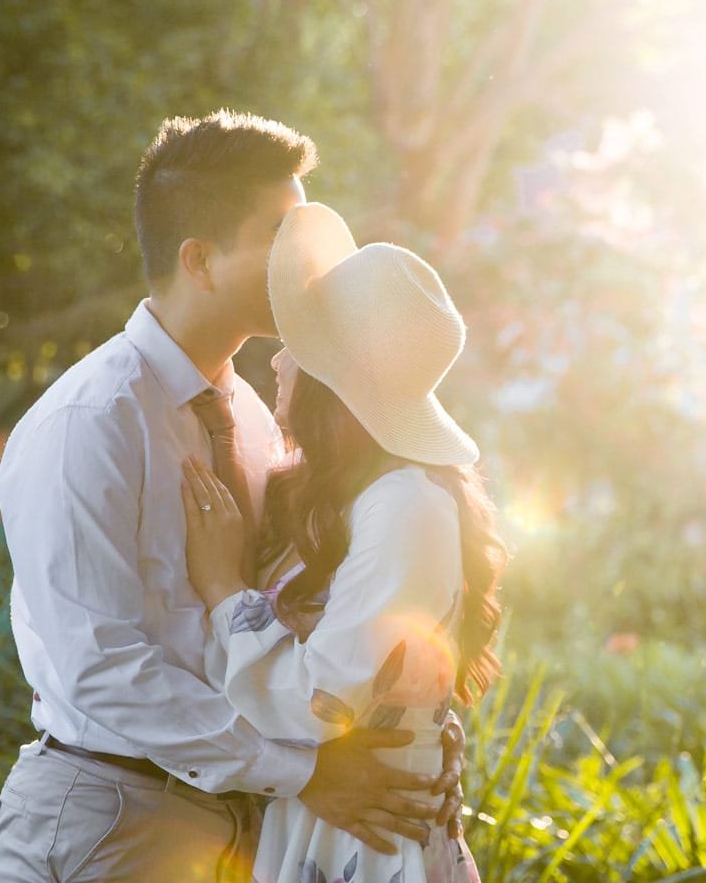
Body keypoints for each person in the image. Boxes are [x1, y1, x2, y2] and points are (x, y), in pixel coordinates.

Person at [0, 112, 462, 883]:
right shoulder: (90, 422)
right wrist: (303, 773)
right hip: (109, 814)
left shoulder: (254, 419)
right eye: (280, 235)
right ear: (199, 259)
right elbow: (100, 667)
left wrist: (408, 731)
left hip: (235, 828)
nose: (306, 265)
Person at [180, 200, 504, 883]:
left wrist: (222, 592)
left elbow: (320, 699)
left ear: (335, 384)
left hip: (368, 830)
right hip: (343, 817)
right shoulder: (362, 496)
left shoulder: (405, 504)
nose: (278, 362)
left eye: (302, 346)